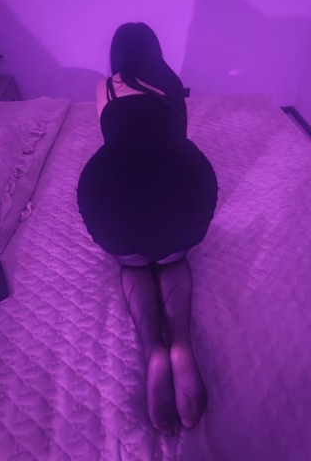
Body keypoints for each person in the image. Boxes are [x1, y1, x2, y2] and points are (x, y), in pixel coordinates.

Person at [76, 22, 218, 436]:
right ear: (155, 52)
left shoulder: (105, 87)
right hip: (180, 192)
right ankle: (181, 342)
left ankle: (153, 348)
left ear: (116, 55)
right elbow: (176, 136)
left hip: (116, 200)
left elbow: (113, 138)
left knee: (134, 264)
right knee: (172, 258)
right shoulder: (171, 84)